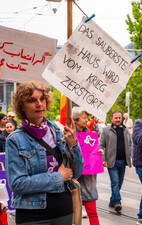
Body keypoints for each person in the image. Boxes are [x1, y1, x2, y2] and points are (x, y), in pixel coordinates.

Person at [5, 81, 84, 225]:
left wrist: (74, 144)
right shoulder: (15, 140)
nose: (39, 104)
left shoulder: (58, 131)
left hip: (64, 211)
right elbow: (17, 184)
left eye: (42, 99)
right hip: (33, 216)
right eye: (32, 100)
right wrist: (58, 177)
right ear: (21, 106)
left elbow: (76, 172)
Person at [73, 107, 101, 225]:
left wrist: (99, 154)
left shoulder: (90, 134)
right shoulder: (69, 134)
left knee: (92, 211)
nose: (86, 120)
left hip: (89, 178)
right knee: (73, 213)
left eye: (87, 118)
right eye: (84, 118)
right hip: (75, 178)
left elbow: (93, 152)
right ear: (76, 120)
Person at [100, 110, 132, 212]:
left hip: (123, 161)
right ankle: (117, 202)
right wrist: (103, 159)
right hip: (111, 161)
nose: (118, 120)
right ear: (111, 119)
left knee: (119, 183)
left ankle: (112, 200)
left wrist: (130, 155)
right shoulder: (106, 130)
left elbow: (130, 144)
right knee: (115, 182)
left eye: (119, 118)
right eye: (116, 118)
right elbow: (101, 145)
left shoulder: (125, 130)